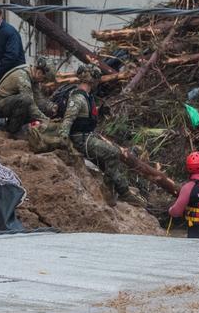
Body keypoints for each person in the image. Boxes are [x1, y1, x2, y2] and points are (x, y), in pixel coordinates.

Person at [58, 64, 145, 207]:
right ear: (92, 80)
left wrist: (100, 112)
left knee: (112, 156)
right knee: (112, 153)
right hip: (80, 138)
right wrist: (64, 140)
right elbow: (68, 119)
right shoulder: (78, 97)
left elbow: (84, 116)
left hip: (88, 135)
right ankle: (109, 190)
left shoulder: (87, 96)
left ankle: (122, 190)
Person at [0, 57, 56, 135]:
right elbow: (30, 103)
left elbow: (39, 100)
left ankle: (11, 126)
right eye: (44, 79)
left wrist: (51, 108)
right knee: (26, 101)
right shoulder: (22, 76)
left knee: (41, 107)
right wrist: (45, 120)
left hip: (10, 102)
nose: (43, 82)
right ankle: (13, 131)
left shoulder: (34, 77)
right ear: (39, 72)